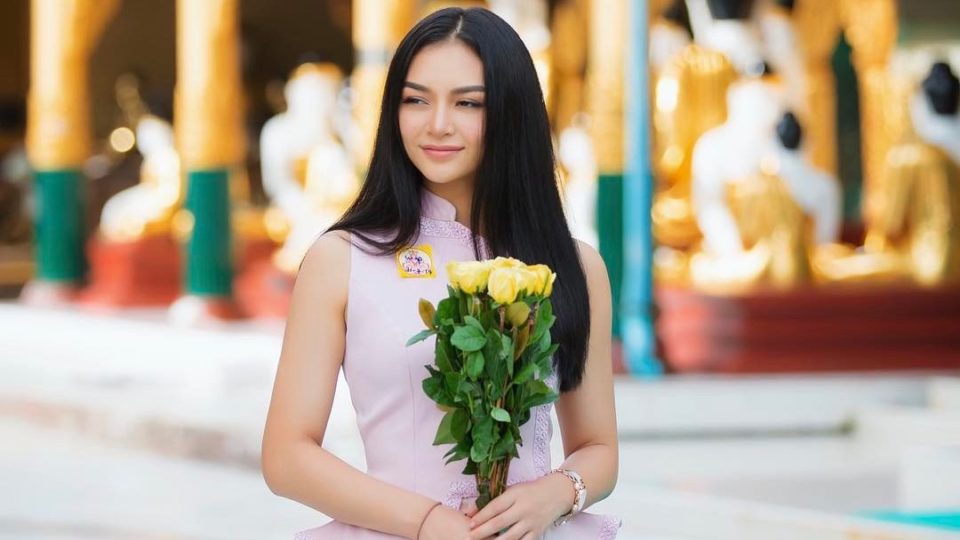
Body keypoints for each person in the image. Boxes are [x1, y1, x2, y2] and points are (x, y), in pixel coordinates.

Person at [261, 7, 622, 540]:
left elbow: (600, 449)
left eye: (468, 103)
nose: (437, 124)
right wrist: (428, 522)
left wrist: (556, 493)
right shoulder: (343, 259)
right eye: (416, 100)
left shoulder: (573, 267)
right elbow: (286, 457)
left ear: (512, 112)